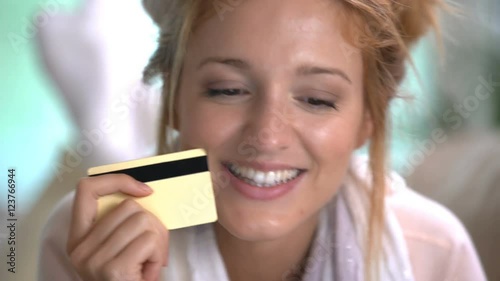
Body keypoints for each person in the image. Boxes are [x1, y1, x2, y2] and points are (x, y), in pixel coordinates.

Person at [37, 0, 487, 280]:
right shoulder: (85, 241)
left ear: (367, 118)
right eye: (228, 90)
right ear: (172, 95)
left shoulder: (432, 254)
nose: (267, 137)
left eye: (315, 99)